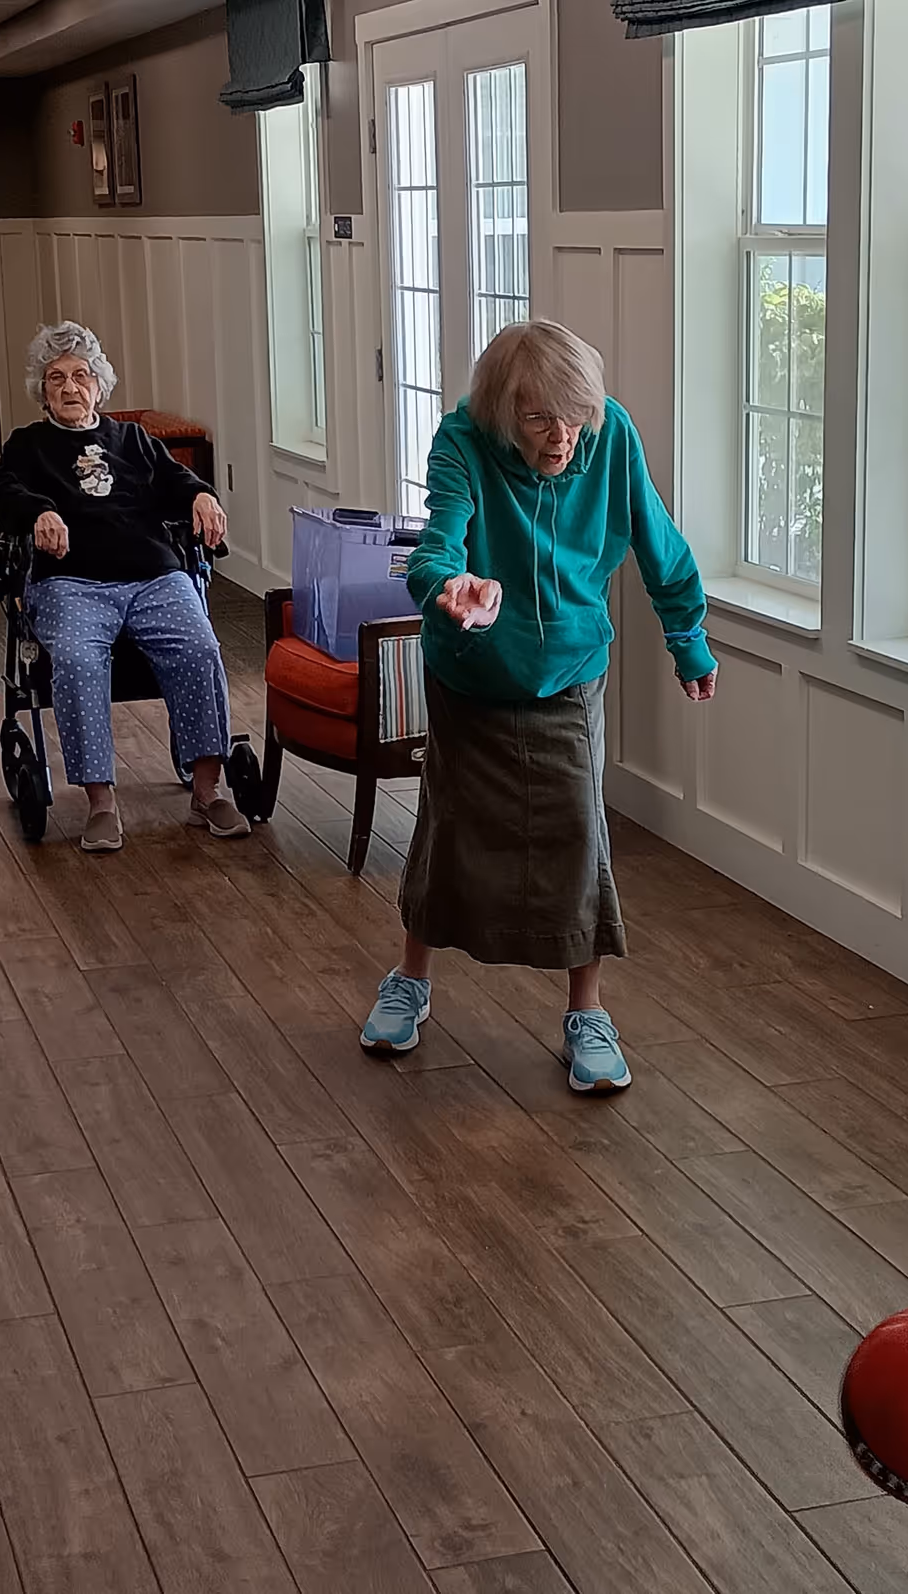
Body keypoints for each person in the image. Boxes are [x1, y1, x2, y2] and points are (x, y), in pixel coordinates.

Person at [361, 319, 717, 1093]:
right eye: (539, 420)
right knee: (447, 825)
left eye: (576, 417)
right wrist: (450, 586)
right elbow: (437, 542)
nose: (562, 438)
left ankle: (587, 1013)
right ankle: (410, 979)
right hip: (471, 669)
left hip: (571, 671)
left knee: (579, 832)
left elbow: (658, 543)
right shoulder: (462, 439)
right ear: (501, 411)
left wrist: (687, 639)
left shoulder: (609, 434)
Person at [0, 321, 249, 853]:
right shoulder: (28, 446)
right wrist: (38, 511)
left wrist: (201, 495)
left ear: (99, 386)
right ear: (42, 391)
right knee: (78, 662)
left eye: (80, 375)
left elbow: (177, 481)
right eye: (56, 378)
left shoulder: (132, 440)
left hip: (154, 577)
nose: (69, 387)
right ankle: (101, 802)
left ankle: (207, 791)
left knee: (199, 648)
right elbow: (3, 494)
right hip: (71, 582)